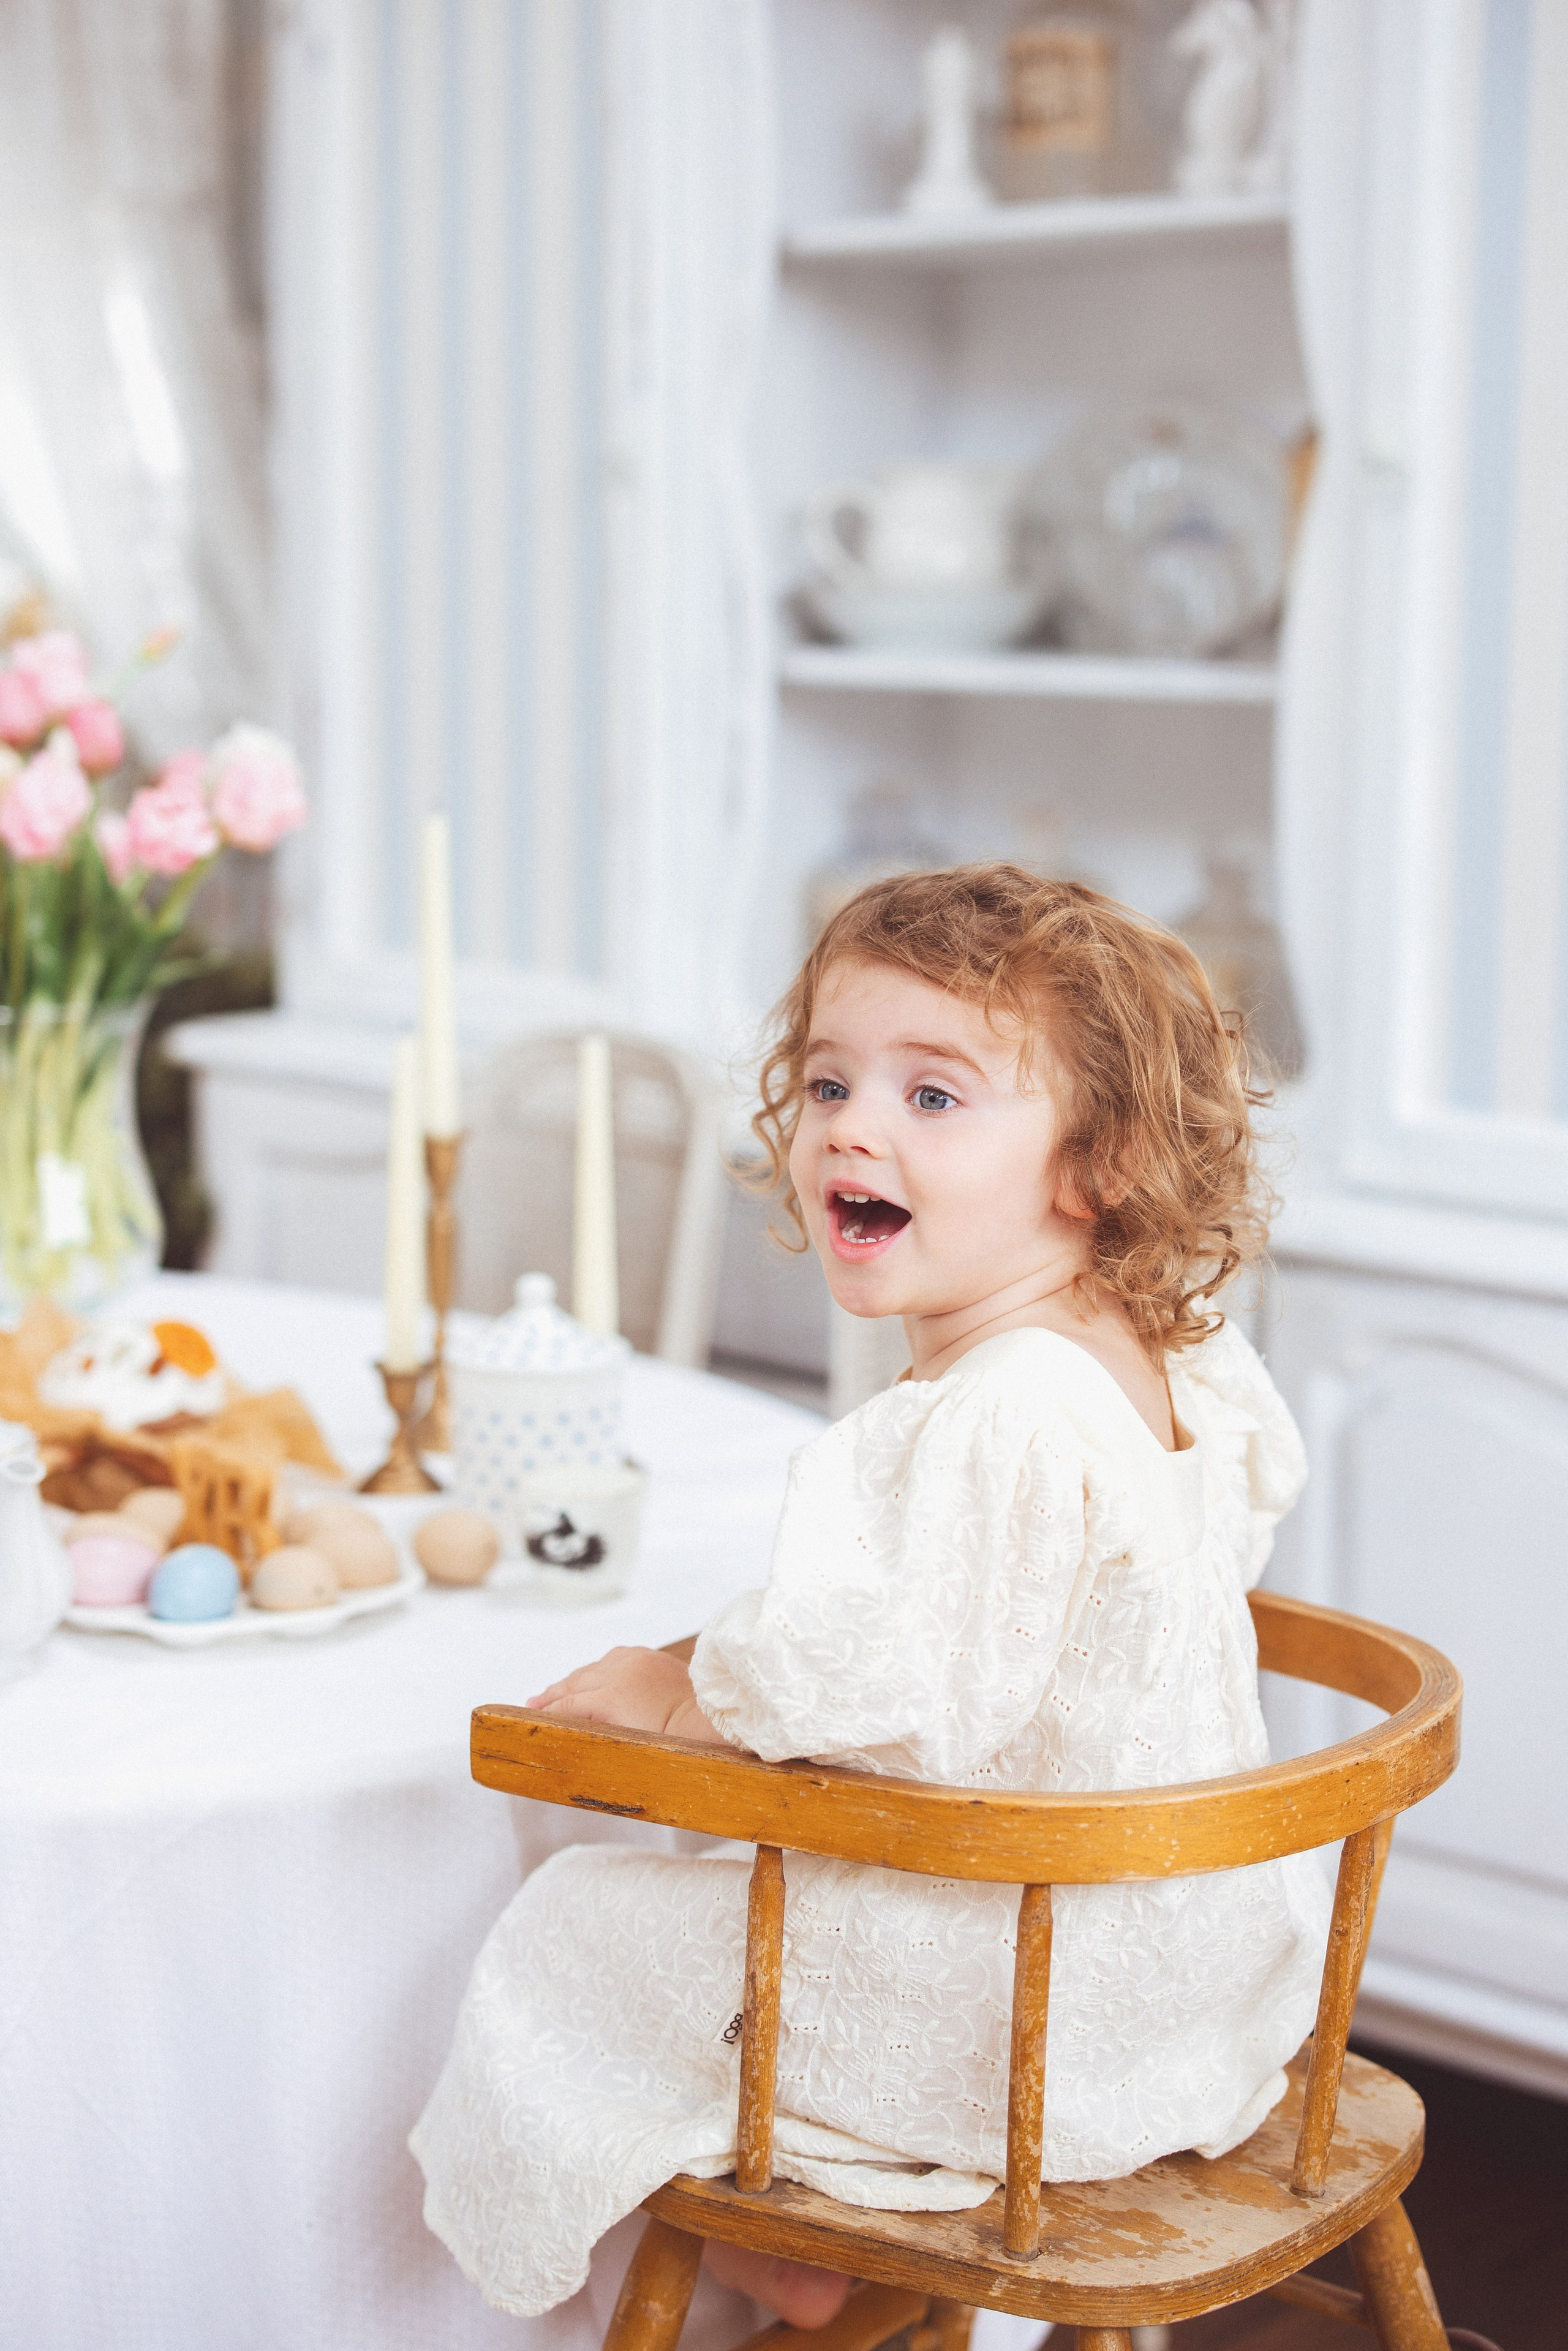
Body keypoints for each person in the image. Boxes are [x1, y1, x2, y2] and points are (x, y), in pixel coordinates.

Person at [410, 865, 1331, 2327]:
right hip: (1193, 1965)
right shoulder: (1172, 1355)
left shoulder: (991, 1414)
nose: (852, 1123)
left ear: (1091, 1167)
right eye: (831, 1079)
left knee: (576, 1920)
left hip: (1042, 2016)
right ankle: (840, 2258)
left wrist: (676, 1689)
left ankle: (791, 2266)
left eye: (933, 1096)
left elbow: (883, 1698)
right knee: (721, 1902)